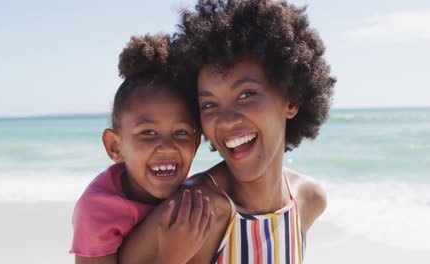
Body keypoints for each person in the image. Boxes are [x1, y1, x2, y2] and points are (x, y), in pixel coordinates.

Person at [117, 0, 336, 263]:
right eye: (209, 104)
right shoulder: (193, 213)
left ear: (291, 99)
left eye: (246, 94)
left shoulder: (309, 201)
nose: (226, 120)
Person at [70, 34, 214, 264]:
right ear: (115, 146)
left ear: (196, 144)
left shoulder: (196, 192)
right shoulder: (98, 210)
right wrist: (171, 257)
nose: (167, 147)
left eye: (180, 133)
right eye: (148, 133)